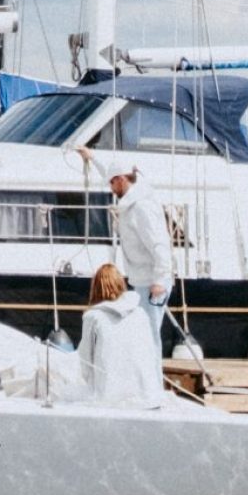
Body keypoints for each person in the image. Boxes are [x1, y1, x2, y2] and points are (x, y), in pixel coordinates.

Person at [77, 146, 173, 348]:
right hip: (141, 280)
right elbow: (110, 173)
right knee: (141, 335)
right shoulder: (134, 195)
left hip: (152, 282)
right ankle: (144, 378)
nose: (111, 189)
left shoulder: (141, 207)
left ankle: (151, 379)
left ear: (121, 179)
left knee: (148, 338)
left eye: (112, 183)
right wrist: (92, 157)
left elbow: (159, 245)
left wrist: (159, 280)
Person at [75, 263, 162, 406]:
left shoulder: (93, 317)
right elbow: (151, 354)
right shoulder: (140, 313)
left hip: (110, 397)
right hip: (147, 395)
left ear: (95, 288)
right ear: (121, 284)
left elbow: (84, 363)